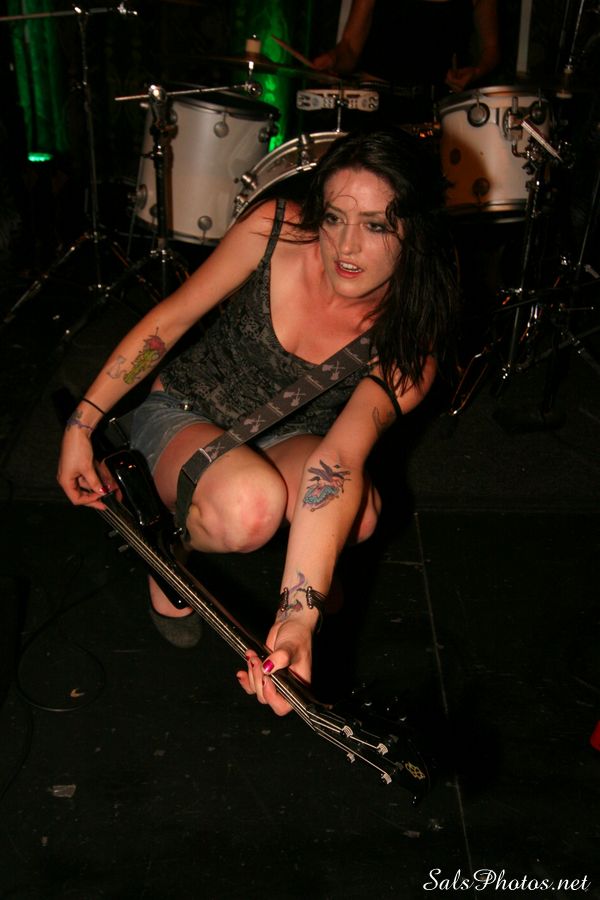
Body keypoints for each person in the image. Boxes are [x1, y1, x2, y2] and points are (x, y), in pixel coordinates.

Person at [57, 128, 458, 716]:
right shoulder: (275, 229)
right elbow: (170, 321)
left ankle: (303, 565)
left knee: (362, 511)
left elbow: (337, 460)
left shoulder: (407, 347)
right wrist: (81, 425)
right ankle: (169, 548)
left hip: (290, 438)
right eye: (334, 218)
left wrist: (297, 620)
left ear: (414, 233)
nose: (346, 246)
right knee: (250, 508)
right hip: (188, 411)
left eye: (376, 226)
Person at [313, 0, 500, 123]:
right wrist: (334, 59)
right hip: (376, 102)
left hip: (436, 109)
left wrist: (476, 71)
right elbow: (349, 48)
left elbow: (491, 49)